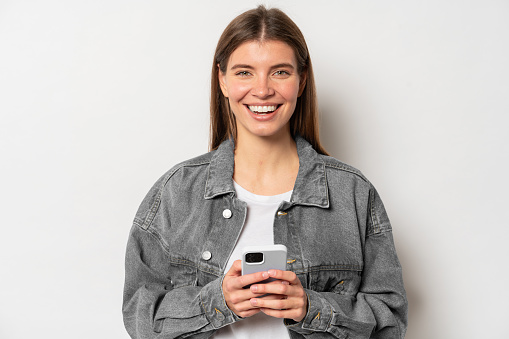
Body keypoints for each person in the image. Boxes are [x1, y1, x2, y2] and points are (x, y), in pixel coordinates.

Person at [123, 5, 408, 339]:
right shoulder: (176, 192)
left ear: (301, 81)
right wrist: (217, 302)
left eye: (280, 72)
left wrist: (309, 308)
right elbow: (141, 319)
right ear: (223, 80)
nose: (262, 90)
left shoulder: (353, 194)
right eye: (244, 72)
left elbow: (390, 322)